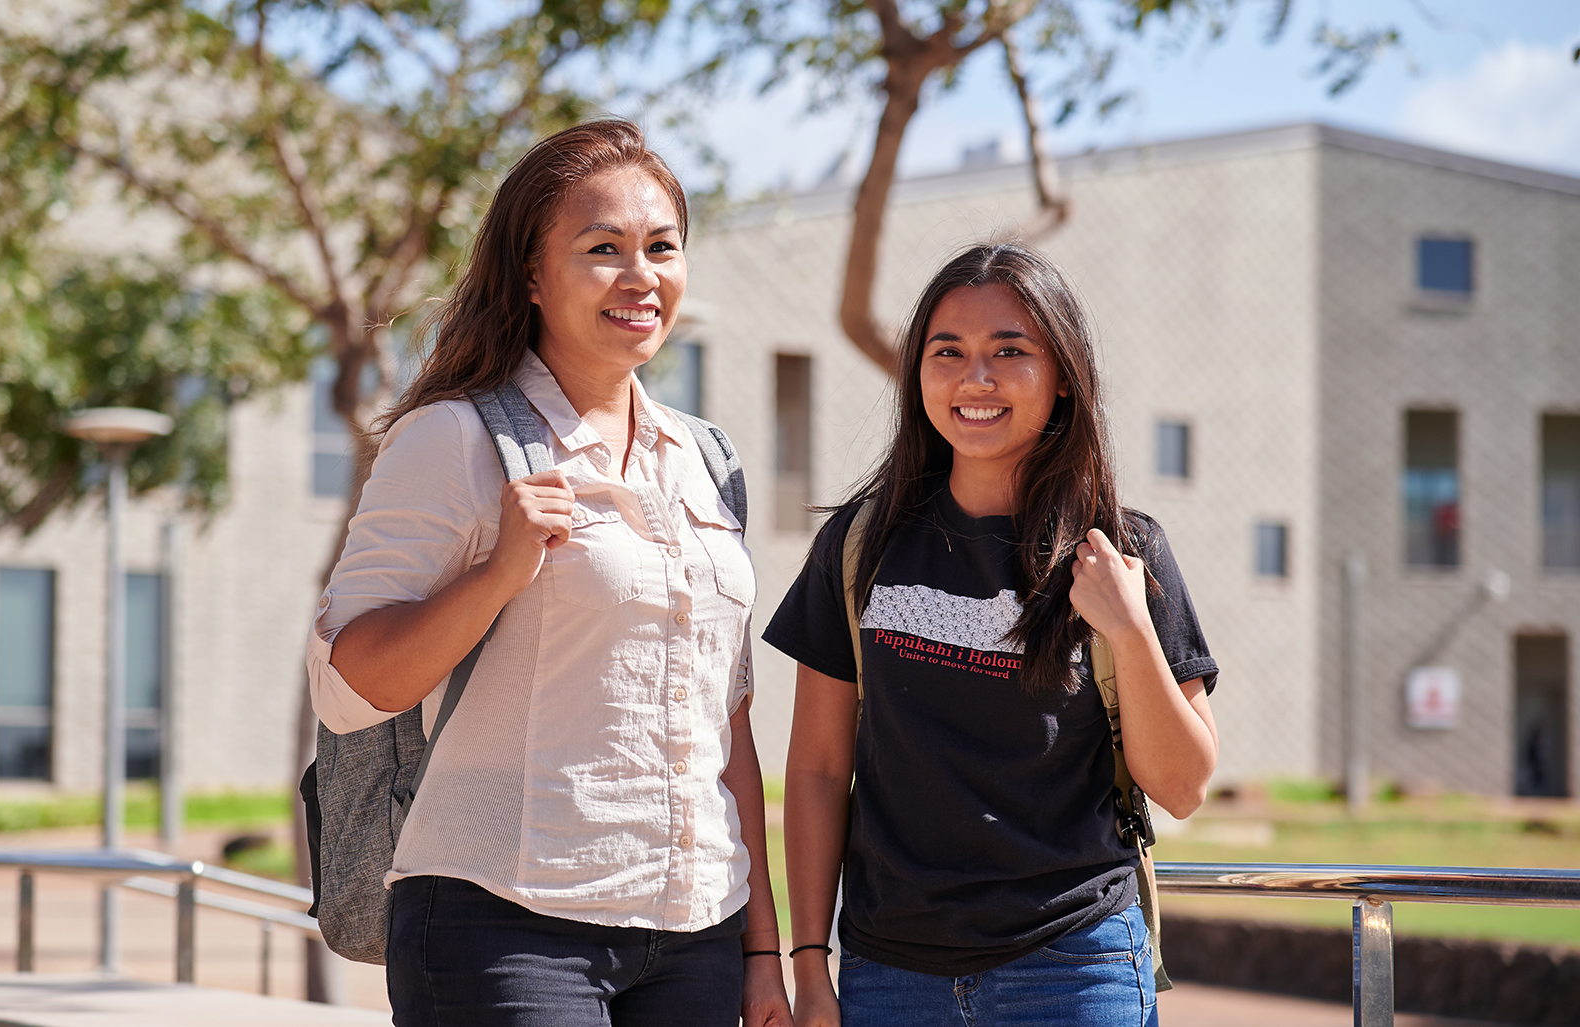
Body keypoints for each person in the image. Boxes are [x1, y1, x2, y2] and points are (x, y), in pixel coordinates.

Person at [307, 119, 791, 1027]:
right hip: (507, 925)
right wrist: (497, 572)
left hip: (696, 932)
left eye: (661, 246)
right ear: (531, 275)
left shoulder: (707, 458)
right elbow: (346, 688)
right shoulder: (452, 439)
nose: (640, 275)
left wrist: (761, 952)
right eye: (602, 249)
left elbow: (727, 728)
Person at [766, 243, 1220, 1027]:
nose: (975, 378)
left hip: (1074, 971)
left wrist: (1129, 624)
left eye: (1009, 351)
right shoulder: (858, 545)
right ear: (919, 376)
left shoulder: (1125, 551)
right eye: (949, 353)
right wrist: (810, 962)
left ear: (1062, 377)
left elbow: (1181, 787)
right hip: (888, 976)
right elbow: (814, 768)